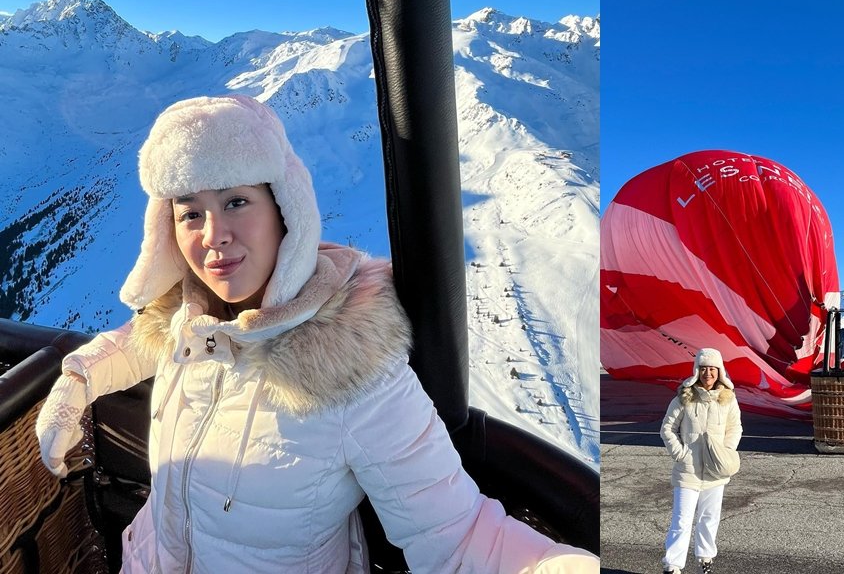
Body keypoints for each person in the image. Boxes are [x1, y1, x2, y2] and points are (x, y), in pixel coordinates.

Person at [32, 95, 597, 573]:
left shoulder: (350, 368)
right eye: (189, 213)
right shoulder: (187, 317)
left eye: (235, 202)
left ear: (284, 210)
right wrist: (74, 382)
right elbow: (135, 341)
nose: (214, 237)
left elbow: (460, 534)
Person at [659, 348, 743, 574]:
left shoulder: (728, 399)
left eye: (713, 369)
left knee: (709, 517)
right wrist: (680, 454)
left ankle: (705, 558)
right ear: (697, 370)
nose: (708, 373)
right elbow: (668, 428)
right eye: (704, 368)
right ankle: (673, 565)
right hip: (688, 470)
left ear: (720, 371)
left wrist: (724, 452)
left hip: (715, 471)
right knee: (682, 519)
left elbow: (735, 428)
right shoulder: (684, 397)